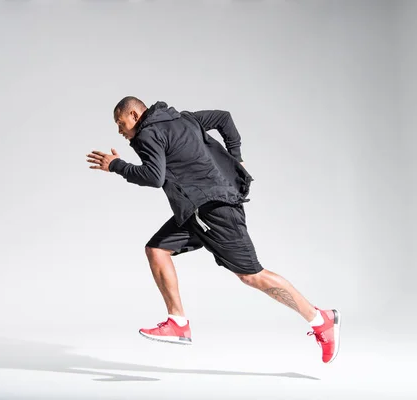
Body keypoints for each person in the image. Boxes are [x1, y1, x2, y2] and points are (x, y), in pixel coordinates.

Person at [86, 96, 340, 364]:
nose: (120, 131)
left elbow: (153, 177)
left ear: (135, 115)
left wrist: (115, 165)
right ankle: (178, 322)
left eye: (120, 123)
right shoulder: (184, 118)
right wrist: (237, 158)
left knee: (252, 276)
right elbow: (224, 118)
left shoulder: (148, 134)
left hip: (214, 212)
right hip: (197, 211)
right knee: (157, 249)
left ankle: (321, 320)